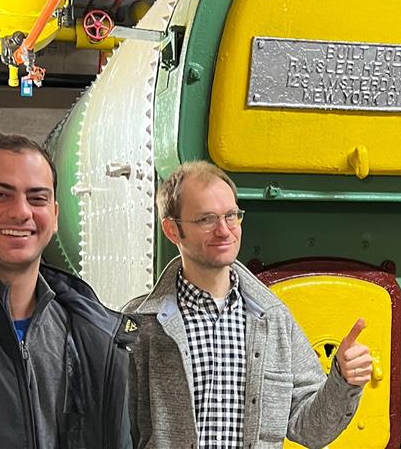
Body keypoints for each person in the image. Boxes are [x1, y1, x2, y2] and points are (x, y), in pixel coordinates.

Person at [125, 160, 372, 448]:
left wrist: (343, 379)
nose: (224, 230)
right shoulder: (141, 325)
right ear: (171, 230)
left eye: (231, 216)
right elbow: (114, 427)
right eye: (206, 219)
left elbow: (311, 430)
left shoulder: (274, 318)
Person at [0, 132, 137, 449]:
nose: (21, 212)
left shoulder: (95, 334)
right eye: (0, 195)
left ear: (55, 215)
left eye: (37, 198)